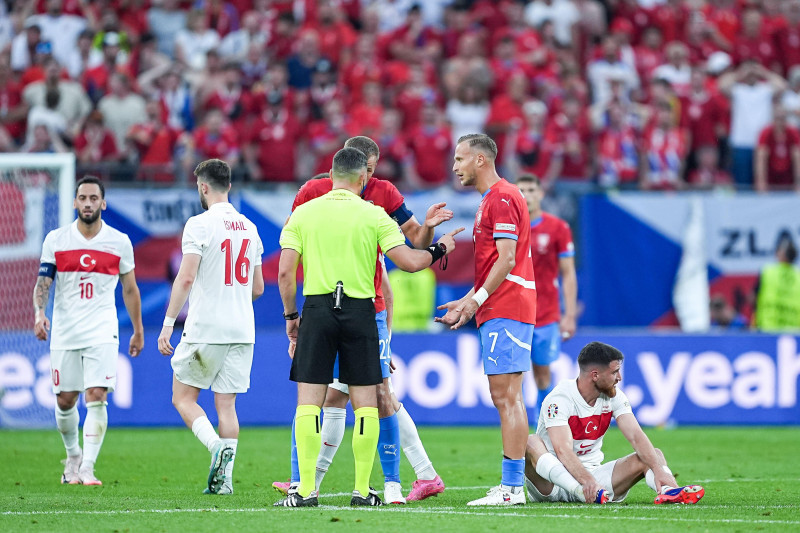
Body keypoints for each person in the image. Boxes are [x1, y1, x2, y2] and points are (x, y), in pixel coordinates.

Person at [276, 147, 462, 507]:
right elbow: (409, 262)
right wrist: (440, 248)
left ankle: (304, 490)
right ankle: (363, 490)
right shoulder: (374, 214)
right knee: (366, 405)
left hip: (317, 308)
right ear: (363, 178)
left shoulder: (304, 212)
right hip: (361, 311)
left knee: (309, 405)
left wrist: (292, 319)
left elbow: (285, 273)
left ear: (329, 176)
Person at [438, 133, 537, 506]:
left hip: (508, 306)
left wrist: (475, 301)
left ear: (480, 160)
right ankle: (513, 485)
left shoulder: (504, 196)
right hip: (499, 306)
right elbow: (494, 265)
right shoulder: (490, 200)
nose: (455, 167)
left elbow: (507, 259)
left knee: (507, 396)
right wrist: (468, 301)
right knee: (507, 396)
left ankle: (512, 488)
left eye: (460, 159)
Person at [157, 159, 264, 494]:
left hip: (206, 327)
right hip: (243, 329)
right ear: (228, 185)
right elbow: (258, 288)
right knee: (227, 405)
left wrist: (167, 324)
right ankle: (224, 483)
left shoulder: (199, 224)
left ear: (203, 187)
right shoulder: (250, 226)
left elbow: (186, 277)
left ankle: (215, 446)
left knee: (183, 398)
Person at [34, 175, 144, 486]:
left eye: (93, 198)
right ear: (74, 202)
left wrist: (137, 330)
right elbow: (44, 283)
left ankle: (88, 468)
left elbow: (131, 289)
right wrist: (39, 313)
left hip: (102, 329)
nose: (87, 203)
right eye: (82, 198)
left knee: (96, 396)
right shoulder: (56, 239)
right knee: (65, 400)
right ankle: (73, 456)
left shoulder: (119, 241)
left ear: (103, 203)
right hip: (66, 331)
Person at [524, 341, 706, 505]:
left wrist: (659, 470)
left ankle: (668, 491)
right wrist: (586, 481)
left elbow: (636, 436)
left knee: (653, 455)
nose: (619, 377)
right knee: (530, 441)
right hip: (551, 483)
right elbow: (563, 450)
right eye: (614, 372)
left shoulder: (614, 396)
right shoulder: (559, 399)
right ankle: (579, 492)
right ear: (595, 375)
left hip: (595, 482)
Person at [516, 175, 576, 422]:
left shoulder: (557, 228)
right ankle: (517, 433)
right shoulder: (508, 227)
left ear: (540, 194)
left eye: (531, 189)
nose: (527, 194)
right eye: (521, 190)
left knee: (542, 374)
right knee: (513, 377)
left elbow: (568, 272)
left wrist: (569, 315)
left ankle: (545, 428)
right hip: (514, 314)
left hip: (546, 314)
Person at [754, 238, 800, 332]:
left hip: (768, 329)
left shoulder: (767, 272)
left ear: (780, 253)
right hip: (795, 332)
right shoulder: (798, 276)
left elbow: (753, 298)